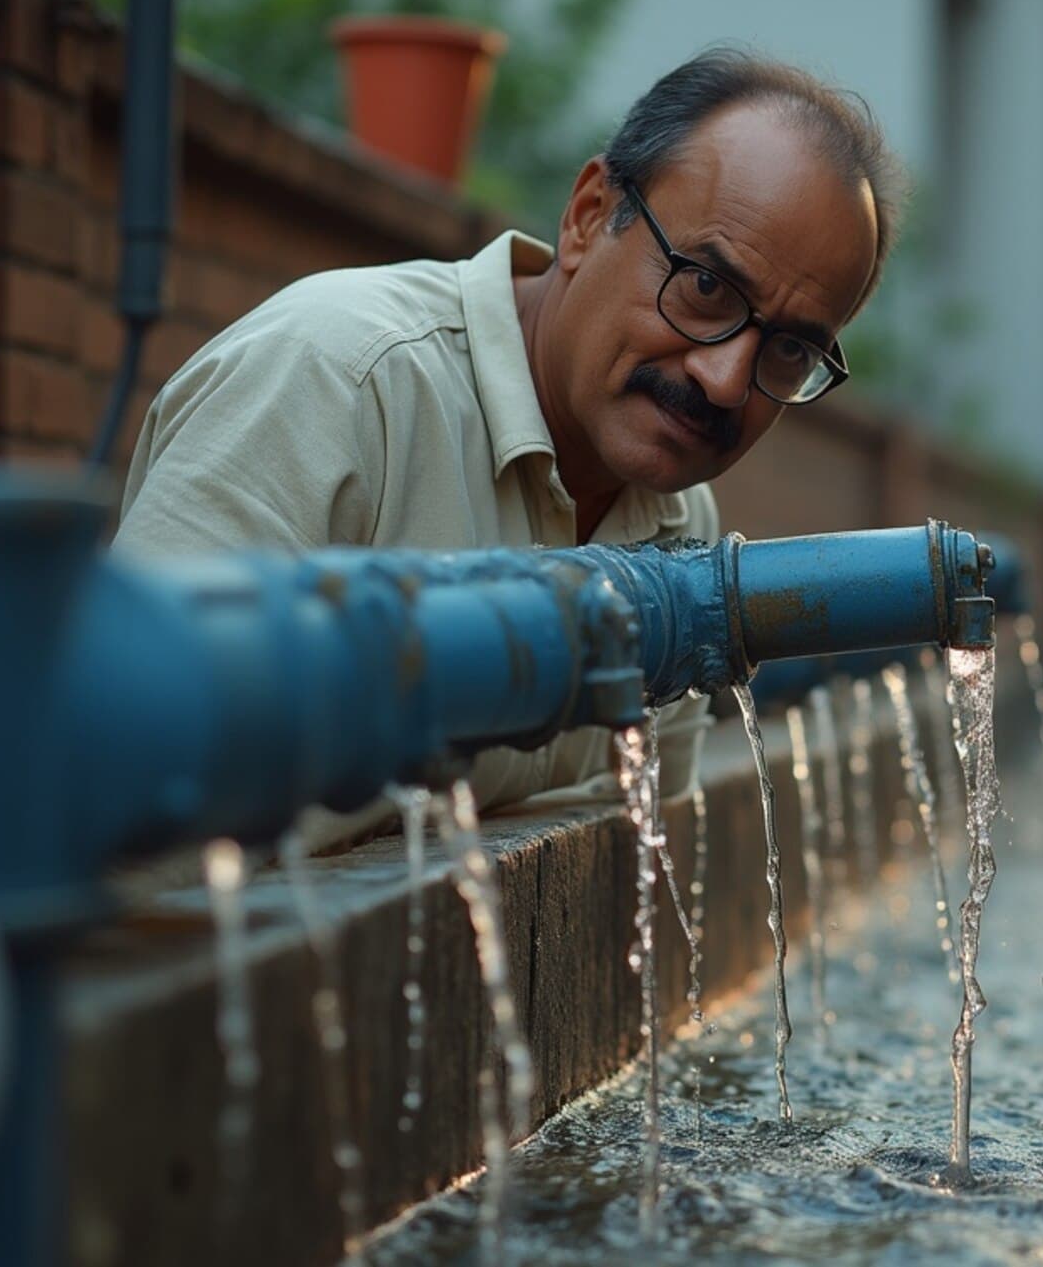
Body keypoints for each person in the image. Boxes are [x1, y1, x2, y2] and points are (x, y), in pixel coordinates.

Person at [115, 48, 904, 812]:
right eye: (704, 286)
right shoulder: (335, 381)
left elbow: (643, 890)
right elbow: (124, 751)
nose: (726, 380)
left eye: (791, 349)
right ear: (589, 217)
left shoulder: (678, 521)